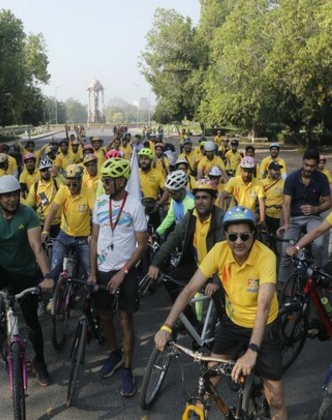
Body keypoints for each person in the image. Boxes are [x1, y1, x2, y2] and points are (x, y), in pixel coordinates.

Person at [154, 206, 286, 420]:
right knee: (208, 382)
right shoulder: (219, 250)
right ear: (226, 235)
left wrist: (252, 350)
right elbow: (188, 291)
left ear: (253, 234)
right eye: (233, 236)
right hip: (233, 323)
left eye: (244, 235)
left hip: (264, 327)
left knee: (277, 397)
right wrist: (166, 326)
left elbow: (263, 305)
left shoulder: (266, 256)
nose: (239, 241)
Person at [0, 175, 54, 385]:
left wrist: (47, 276)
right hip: (1, 268)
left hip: (25, 272)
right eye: (6, 196)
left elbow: (36, 246)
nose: (12, 199)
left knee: (32, 321)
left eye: (15, 194)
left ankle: (40, 362)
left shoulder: (28, 214)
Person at [88, 158, 148, 397]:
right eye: (102, 180)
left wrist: (124, 273)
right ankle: (114, 353)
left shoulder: (135, 206)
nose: (103, 184)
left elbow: (142, 245)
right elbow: (93, 238)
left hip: (126, 270)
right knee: (104, 316)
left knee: (125, 320)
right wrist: (92, 271)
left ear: (121, 181)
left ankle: (127, 367)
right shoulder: (100, 202)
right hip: (102, 269)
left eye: (107, 181)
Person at [148, 177, 226, 326]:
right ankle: (192, 323)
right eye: (197, 198)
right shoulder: (191, 215)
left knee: (222, 312)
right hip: (198, 267)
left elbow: (223, 253)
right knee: (168, 279)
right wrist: (155, 262)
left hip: (218, 271)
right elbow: (174, 238)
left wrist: (216, 280)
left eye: (205, 198)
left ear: (213, 199)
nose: (200, 201)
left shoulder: (221, 219)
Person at [277, 148, 332, 284]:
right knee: (286, 252)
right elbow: (286, 204)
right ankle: (282, 286)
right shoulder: (291, 178)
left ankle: (318, 275)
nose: (308, 168)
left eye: (312, 166)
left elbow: (328, 203)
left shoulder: (322, 178)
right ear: (302, 162)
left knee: (319, 245)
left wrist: (316, 209)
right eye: (306, 165)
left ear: (317, 165)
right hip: (294, 219)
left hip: (313, 218)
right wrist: (287, 223)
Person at [42, 164, 94, 293]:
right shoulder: (63, 190)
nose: (71, 187)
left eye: (74, 184)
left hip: (83, 237)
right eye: (68, 184)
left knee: (89, 272)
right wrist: (45, 230)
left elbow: (95, 215)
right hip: (64, 235)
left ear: (80, 181)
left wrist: (93, 234)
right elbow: (53, 210)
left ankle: (92, 304)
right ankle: (53, 298)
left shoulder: (89, 192)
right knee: (54, 267)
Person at [218, 157, 266, 226]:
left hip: (249, 214)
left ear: (253, 170)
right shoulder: (233, 181)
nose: (246, 174)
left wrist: (262, 220)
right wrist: (222, 215)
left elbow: (261, 203)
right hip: (234, 213)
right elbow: (222, 196)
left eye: (249, 171)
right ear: (241, 169)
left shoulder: (258, 184)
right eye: (245, 171)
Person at [154, 171, 195, 240]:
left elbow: (188, 228)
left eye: (172, 193)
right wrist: (157, 233)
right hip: (180, 237)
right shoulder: (175, 198)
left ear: (181, 190)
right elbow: (170, 217)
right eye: (169, 192)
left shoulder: (191, 203)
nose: (170, 196)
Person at [26, 158, 61, 236]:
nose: (46, 172)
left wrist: (58, 174)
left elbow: (68, 185)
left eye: (48, 169)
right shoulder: (35, 187)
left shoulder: (57, 182)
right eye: (43, 170)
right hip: (41, 223)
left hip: (57, 223)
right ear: (40, 171)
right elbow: (29, 206)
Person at [138, 148, 166, 231]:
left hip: (153, 209)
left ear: (150, 160)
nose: (143, 161)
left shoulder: (158, 174)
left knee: (155, 233)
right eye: (142, 158)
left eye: (146, 159)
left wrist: (159, 205)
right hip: (138, 209)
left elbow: (167, 191)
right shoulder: (135, 173)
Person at [261, 161, 285, 250]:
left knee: (274, 237)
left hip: (277, 216)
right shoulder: (262, 183)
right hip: (265, 214)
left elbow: (287, 199)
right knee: (263, 236)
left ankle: (273, 252)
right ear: (269, 171)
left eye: (278, 169)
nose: (277, 172)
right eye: (275, 170)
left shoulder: (283, 183)